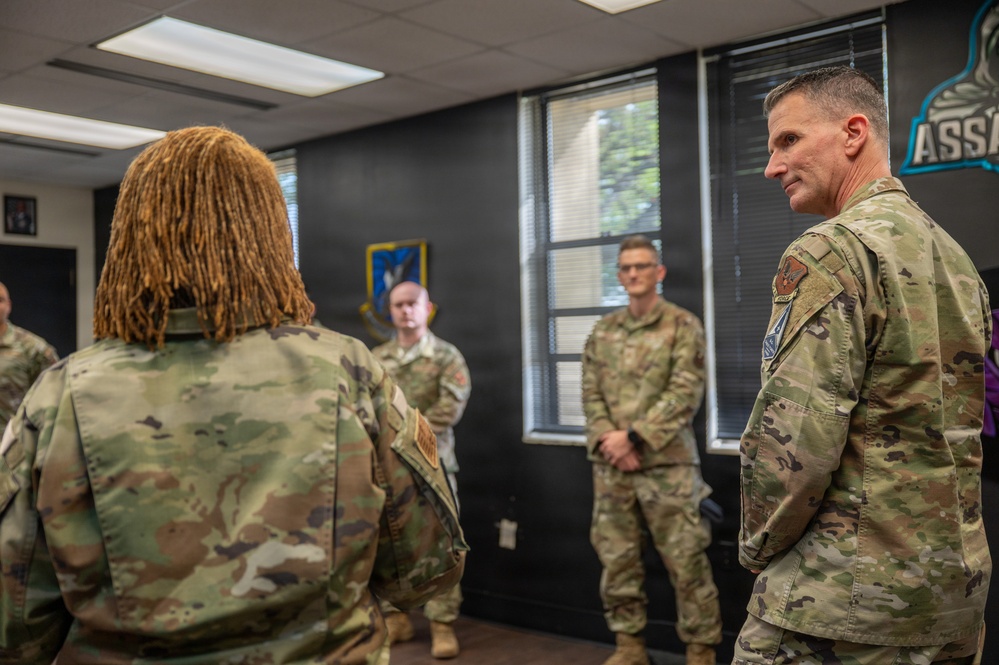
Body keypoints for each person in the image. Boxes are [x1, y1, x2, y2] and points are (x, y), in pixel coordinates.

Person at [0, 126, 467, 664]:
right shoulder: (348, 370)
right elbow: (426, 570)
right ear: (271, 234)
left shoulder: (62, 395)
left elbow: (17, 627)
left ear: (130, 236)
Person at [735, 66, 991, 664]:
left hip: (842, 604)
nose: (773, 166)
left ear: (853, 132)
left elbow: (795, 440)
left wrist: (757, 547)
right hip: (952, 594)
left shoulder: (831, 250)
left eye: (788, 140)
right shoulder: (956, 259)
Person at [582, 234, 722, 665]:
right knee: (617, 561)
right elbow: (590, 394)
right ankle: (629, 647)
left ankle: (700, 651)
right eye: (626, 268)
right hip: (613, 468)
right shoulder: (603, 331)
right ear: (619, 275)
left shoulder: (683, 326)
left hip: (668, 467)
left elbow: (685, 393)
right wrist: (612, 440)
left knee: (687, 562)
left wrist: (634, 437)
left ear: (658, 272)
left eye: (642, 266)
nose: (634, 274)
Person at [372, 280, 471, 659]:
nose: (405, 310)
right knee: (388, 542)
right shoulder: (376, 357)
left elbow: (450, 408)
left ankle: (442, 625)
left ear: (428, 307)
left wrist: (405, 439)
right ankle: (395, 620)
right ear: (391, 310)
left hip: (434, 465)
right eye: (398, 304)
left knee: (442, 545)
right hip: (386, 468)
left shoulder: (447, 357)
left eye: (412, 303)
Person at [0, 281, 57, 435]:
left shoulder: (32, 349)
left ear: (9, 305)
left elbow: (55, 397)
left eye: (0, 300)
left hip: (14, 447)